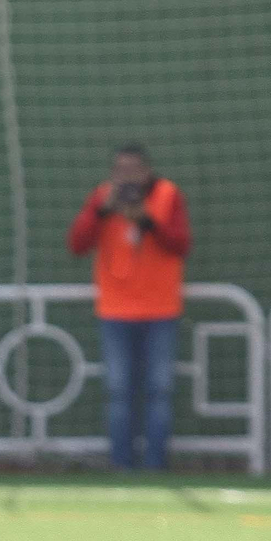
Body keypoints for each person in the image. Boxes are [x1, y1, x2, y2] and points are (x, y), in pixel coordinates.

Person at [68, 143, 192, 470]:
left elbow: (180, 244)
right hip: (115, 311)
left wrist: (148, 222)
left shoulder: (167, 195)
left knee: (159, 391)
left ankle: (155, 466)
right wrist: (101, 211)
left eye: (134, 169)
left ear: (147, 170)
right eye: (120, 170)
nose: (128, 177)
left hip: (160, 309)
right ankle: (121, 466)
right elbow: (78, 244)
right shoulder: (102, 197)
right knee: (119, 392)